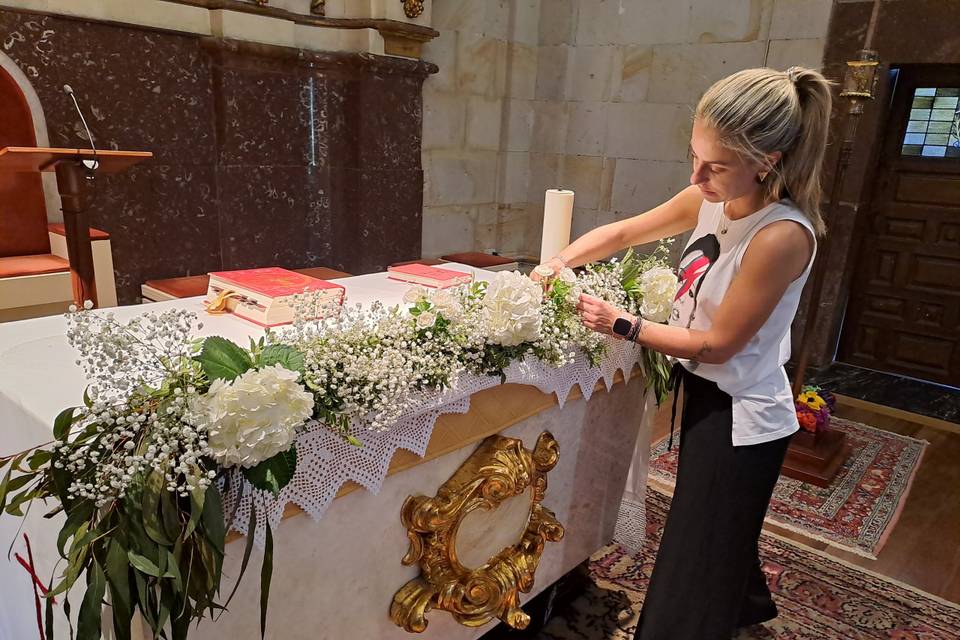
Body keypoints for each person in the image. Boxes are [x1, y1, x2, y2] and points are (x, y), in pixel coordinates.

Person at [533, 66, 832, 639]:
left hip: (743, 415)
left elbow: (718, 346)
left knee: (694, 549)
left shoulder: (781, 236)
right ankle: (742, 603)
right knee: (717, 526)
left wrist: (619, 322)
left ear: (766, 160)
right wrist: (559, 263)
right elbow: (624, 232)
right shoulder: (711, 198)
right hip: (707, 393)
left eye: (715, 165)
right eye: (694, 155)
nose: (696, 176)